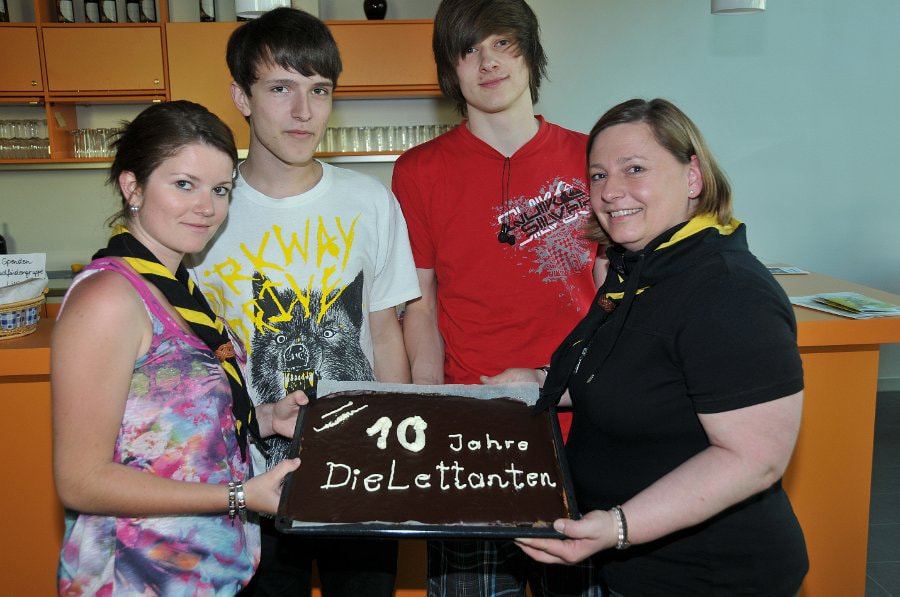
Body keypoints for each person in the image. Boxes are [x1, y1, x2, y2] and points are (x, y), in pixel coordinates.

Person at [492, 98, 809, 595]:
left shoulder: (729, 289)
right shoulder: (638, 270)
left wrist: (619, 526)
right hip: (630, 567)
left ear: (693, 178)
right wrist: (539, 381)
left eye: (634, 169)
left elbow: (753, 458)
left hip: (707, 577)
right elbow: (635, 378)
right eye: (598, 175)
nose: (610, 191)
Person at [188, 7, 420, 596]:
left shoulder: (369, 200)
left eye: (319, 90)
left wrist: (394, 452)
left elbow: (385, 332)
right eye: (281, 88)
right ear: (241, 97)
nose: (303, 111)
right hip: (247, 484)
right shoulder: (206, 212)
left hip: (358, 476)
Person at [391, 0, 603, 594]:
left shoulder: (593, 158)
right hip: (472, 434)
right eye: (468, 49)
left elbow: (617, 293)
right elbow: (420, 304)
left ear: (530, 53)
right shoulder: (418, 172)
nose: (487, 62)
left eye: (502, 43)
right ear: (449, 69)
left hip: (584, 424)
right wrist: (431, 405)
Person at [52, 100, 306, 596]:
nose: (207, 207)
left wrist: (263, 418)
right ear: (133, 187)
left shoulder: (177, 286)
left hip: (208, 571)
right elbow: (81, 479)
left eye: (220, 189)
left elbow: (164, 426)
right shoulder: (108, 299)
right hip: (137, 573)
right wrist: (238, 496)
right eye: (185, 184)